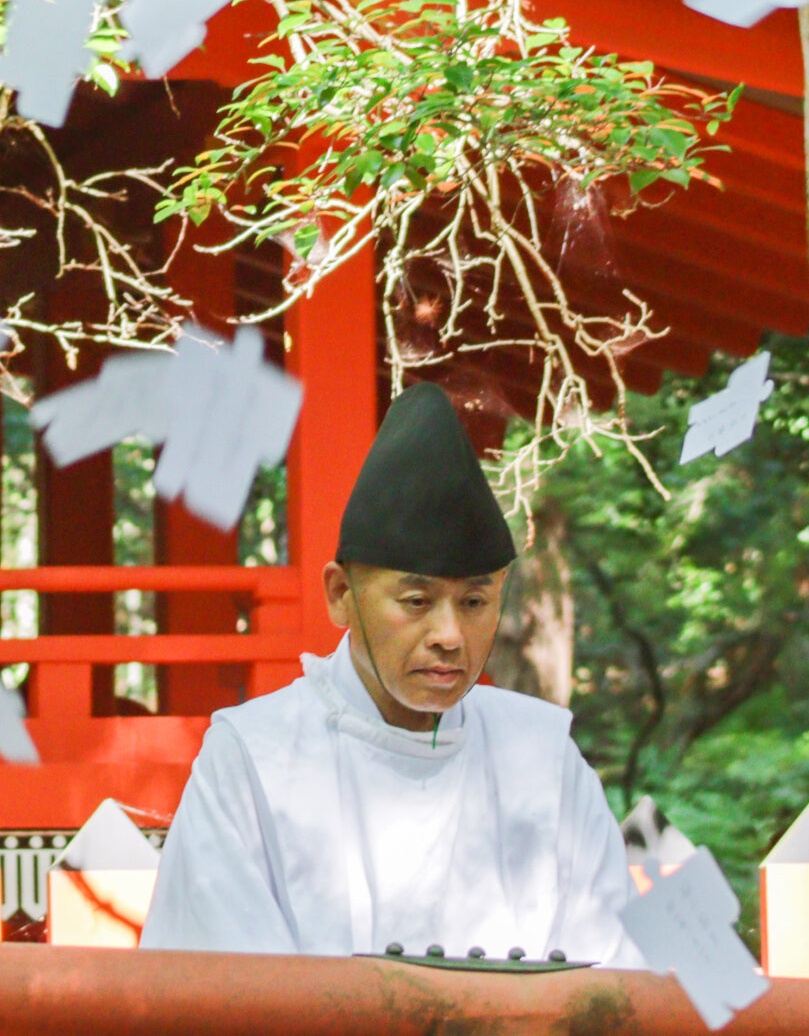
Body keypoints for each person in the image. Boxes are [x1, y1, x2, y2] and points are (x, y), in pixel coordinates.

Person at [140, 382, 638, 963]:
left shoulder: (544, 757)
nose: (449, 636)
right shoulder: (254, 758)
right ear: (340, 594)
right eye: (416, 602)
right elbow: (226, 996)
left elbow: (616, 975)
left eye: (474, 603)